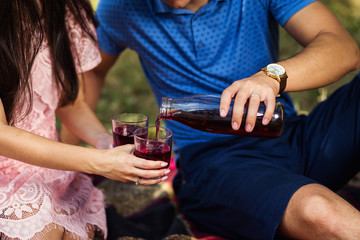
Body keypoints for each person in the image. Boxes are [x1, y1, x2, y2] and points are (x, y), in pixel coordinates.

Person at [86, 0, 360, 239]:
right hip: (216, 163)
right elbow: (93, 71)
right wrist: (82, 149)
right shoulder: (122, 7)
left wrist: (272, 77)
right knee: (320, 213)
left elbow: (343, 48)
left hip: (291, 132)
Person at [0, 1, 170, 239]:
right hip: (7, 173)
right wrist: (98, 162)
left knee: (75, 231)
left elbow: (72, 103)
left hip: (53, 166)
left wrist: (104, 143)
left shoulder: (64, 8)